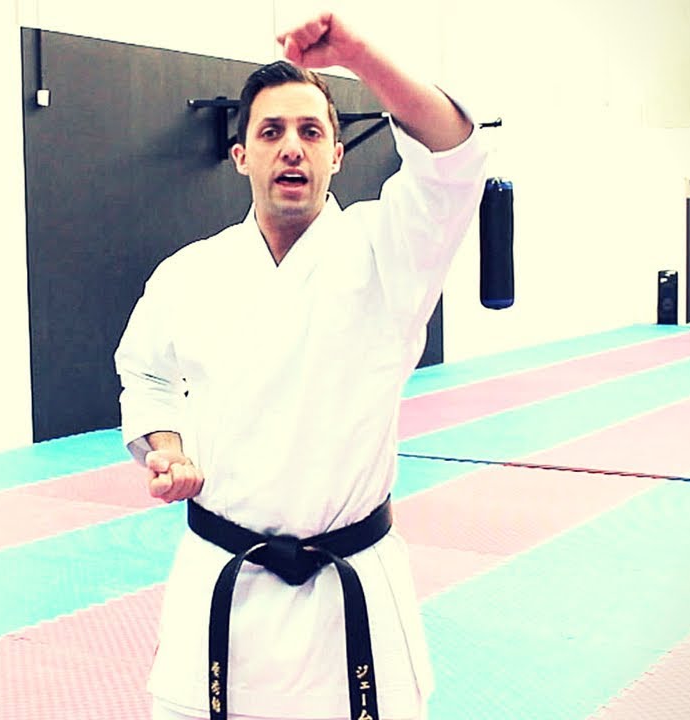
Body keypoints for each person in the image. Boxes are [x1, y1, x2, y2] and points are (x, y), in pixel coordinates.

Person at [114, 12, 487, 720]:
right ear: (241, 156)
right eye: (271, 132)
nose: (292, 147)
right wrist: (168, 447)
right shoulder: (188, 274)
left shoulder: (391, 254)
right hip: (221, 587)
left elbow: (452, 155)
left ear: (337, 155)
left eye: (311, 131)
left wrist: (358, 56)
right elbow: (146, 375)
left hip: (351, 599)